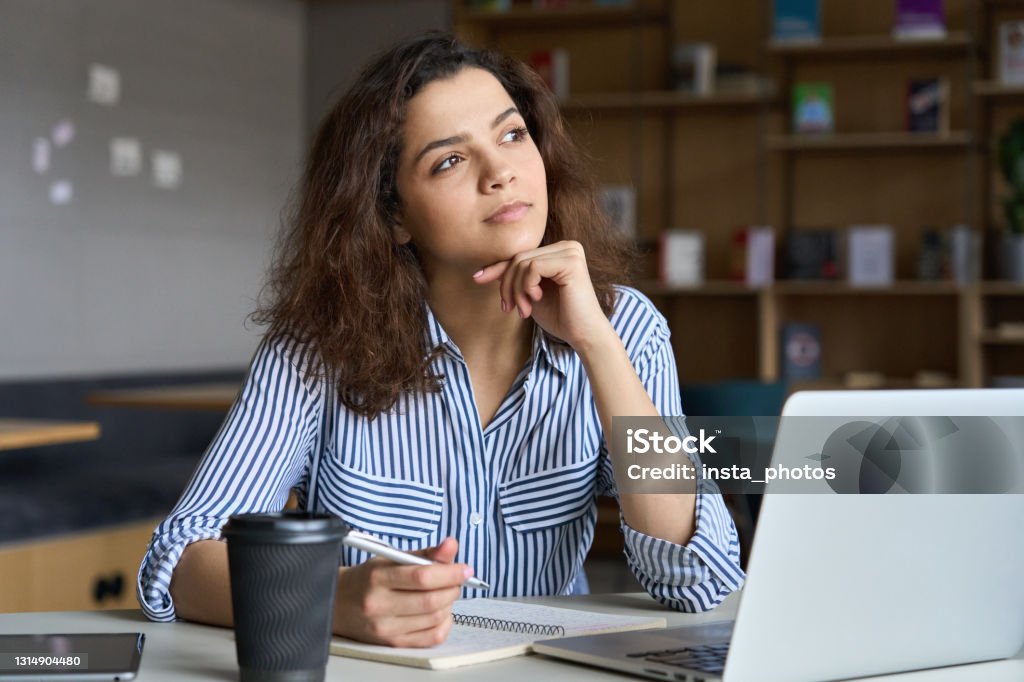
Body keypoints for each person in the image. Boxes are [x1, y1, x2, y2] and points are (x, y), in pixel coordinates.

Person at [137, 32, 744, 648]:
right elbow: (181, 562)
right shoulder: (317, 348)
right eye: (450, 160)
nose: (500, 172)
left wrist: (597, 344)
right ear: (394, 215)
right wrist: (329, 601)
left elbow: (698, 578)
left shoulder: (625, 328)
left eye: (512, 135)